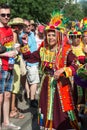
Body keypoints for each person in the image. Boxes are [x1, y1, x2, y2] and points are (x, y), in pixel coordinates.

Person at [21, 16, 86, 129]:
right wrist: (24, 44)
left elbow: (75, 64)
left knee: (63, 109)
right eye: (48, 35)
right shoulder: (42, 50)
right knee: (46, 107)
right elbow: (29, 58)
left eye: (53, 35)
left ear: (58, 36)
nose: (50, 37)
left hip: (62, 85)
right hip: (46, 84)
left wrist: (63, 70)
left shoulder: (66, 51)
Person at [0, 3, 21, 130]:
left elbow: (10, 46)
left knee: (7, 95)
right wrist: (6, 53)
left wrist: (16, 49)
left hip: (10, 66)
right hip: (1, 67)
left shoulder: (9, 30)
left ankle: (6, 122)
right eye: (3, 15)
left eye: (8, 15)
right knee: (0, 97)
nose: (6, 17)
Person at [19, 19, 40, 108]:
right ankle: (32, 99)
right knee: (34, 82)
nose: (28, 27)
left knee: (30, 80)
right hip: (30, 62)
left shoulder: (31, 34)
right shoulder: (23, 36)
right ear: (22, 26)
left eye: (29, 25)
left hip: (33, 60)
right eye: (25, 26)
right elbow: (25, 51)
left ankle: (28, 95)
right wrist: (25, 42)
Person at [8, 17, 26, 119]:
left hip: (13, 62)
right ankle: (13, 110)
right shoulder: (14, 34)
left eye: (20, 26)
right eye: (18, 26)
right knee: (14, 87)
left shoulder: (14, 34)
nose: (19, 28)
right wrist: (20, 48)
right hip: (13, 62)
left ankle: (13, 108)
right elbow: (15, 49)